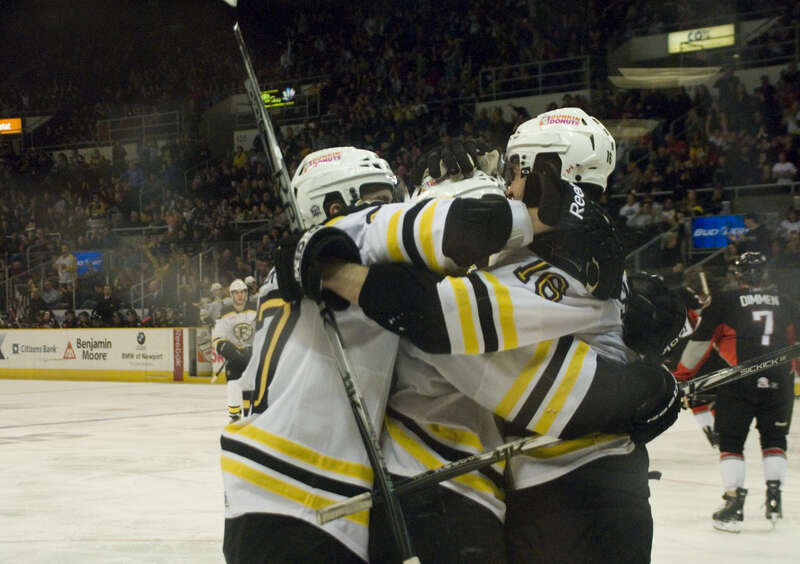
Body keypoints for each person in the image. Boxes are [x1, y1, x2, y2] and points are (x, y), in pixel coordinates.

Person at [294, 109, 682, 563]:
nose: (507, 185)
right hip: (545, 491)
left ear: (546, 173)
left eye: (515, 170)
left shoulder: (564, 259)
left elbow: (432, 315)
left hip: (580, 491)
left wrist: (328, 266)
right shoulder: (574, 242)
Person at [221, 147, 403, 564]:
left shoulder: (290, 270)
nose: (391, 211)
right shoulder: (339, 256)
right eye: (378, 200)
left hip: (258, 490)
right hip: (304, 494)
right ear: (335, 206)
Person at [675, 252, 797, 531]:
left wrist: (681, 376)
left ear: (737, 274)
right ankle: (774, 497)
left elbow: (700, 343)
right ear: (765, 274)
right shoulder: (786, 303)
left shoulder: (726, 301)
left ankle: (734, 505)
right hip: (780, 383)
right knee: (774, 439)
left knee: (731, 444)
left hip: (739, 383)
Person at [212, 279, 256, 422]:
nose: (240, 295)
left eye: (243, 292)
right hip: (235, 356)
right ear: (231, 295)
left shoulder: (256, 309)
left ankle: (250, 414)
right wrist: (230, 351)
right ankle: (234, 415)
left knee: (252, 384)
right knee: (233, 384)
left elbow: (264, 331)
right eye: (236, 292)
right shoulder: (224, 313)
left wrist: (255, 349)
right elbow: (218, 337)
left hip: (253, 355)